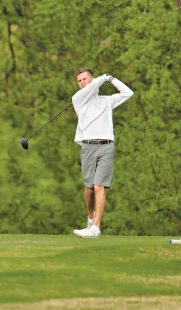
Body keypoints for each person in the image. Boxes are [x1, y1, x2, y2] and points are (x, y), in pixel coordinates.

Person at [71, 68, 133, 238]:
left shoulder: (107, 101)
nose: (82, 83)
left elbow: (128, 92)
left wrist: (111, 79)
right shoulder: (78, 100)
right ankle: (90, 218)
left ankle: (96, 228)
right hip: (88, 146)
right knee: (89, 188)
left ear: (92, 80)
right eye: (79, 81)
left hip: (107, 146)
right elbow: (92, 87)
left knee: (99, 186)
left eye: (85, 79)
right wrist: (102, 78)